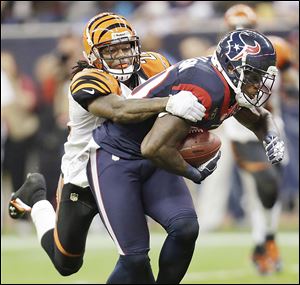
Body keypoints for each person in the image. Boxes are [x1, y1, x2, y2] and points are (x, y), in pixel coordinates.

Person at [7, 12, 206, 279]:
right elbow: (119, 110)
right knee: (66, 264)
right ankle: (36, 198)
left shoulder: (154, 65)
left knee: (180, 230)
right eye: (111, 50)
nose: (122, 55)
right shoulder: (86, 79)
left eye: (126, 47)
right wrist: (168, 103)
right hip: (86, 175)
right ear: (93, 55)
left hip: (138, 163)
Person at [85, 29, 284, 283]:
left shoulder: (225, 83)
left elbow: (260, 117)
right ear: (232, 68)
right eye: (253, 76)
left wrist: (270, 138)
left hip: (153, 156)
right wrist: (194, 173)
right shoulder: (206, 88)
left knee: (185, 228)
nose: (257, 85)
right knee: (135, 259)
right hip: (117, 157)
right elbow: (153, 147)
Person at [199, 3, 294, 275]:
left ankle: (266, 240)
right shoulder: (217, 56)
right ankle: (260, 242)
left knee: (270, 192)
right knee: (263, 186)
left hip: (273, 127)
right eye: (234, 30)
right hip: (240, 130)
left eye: (246, 29)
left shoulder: (277, 49)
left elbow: (291, 79)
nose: (241, 35)